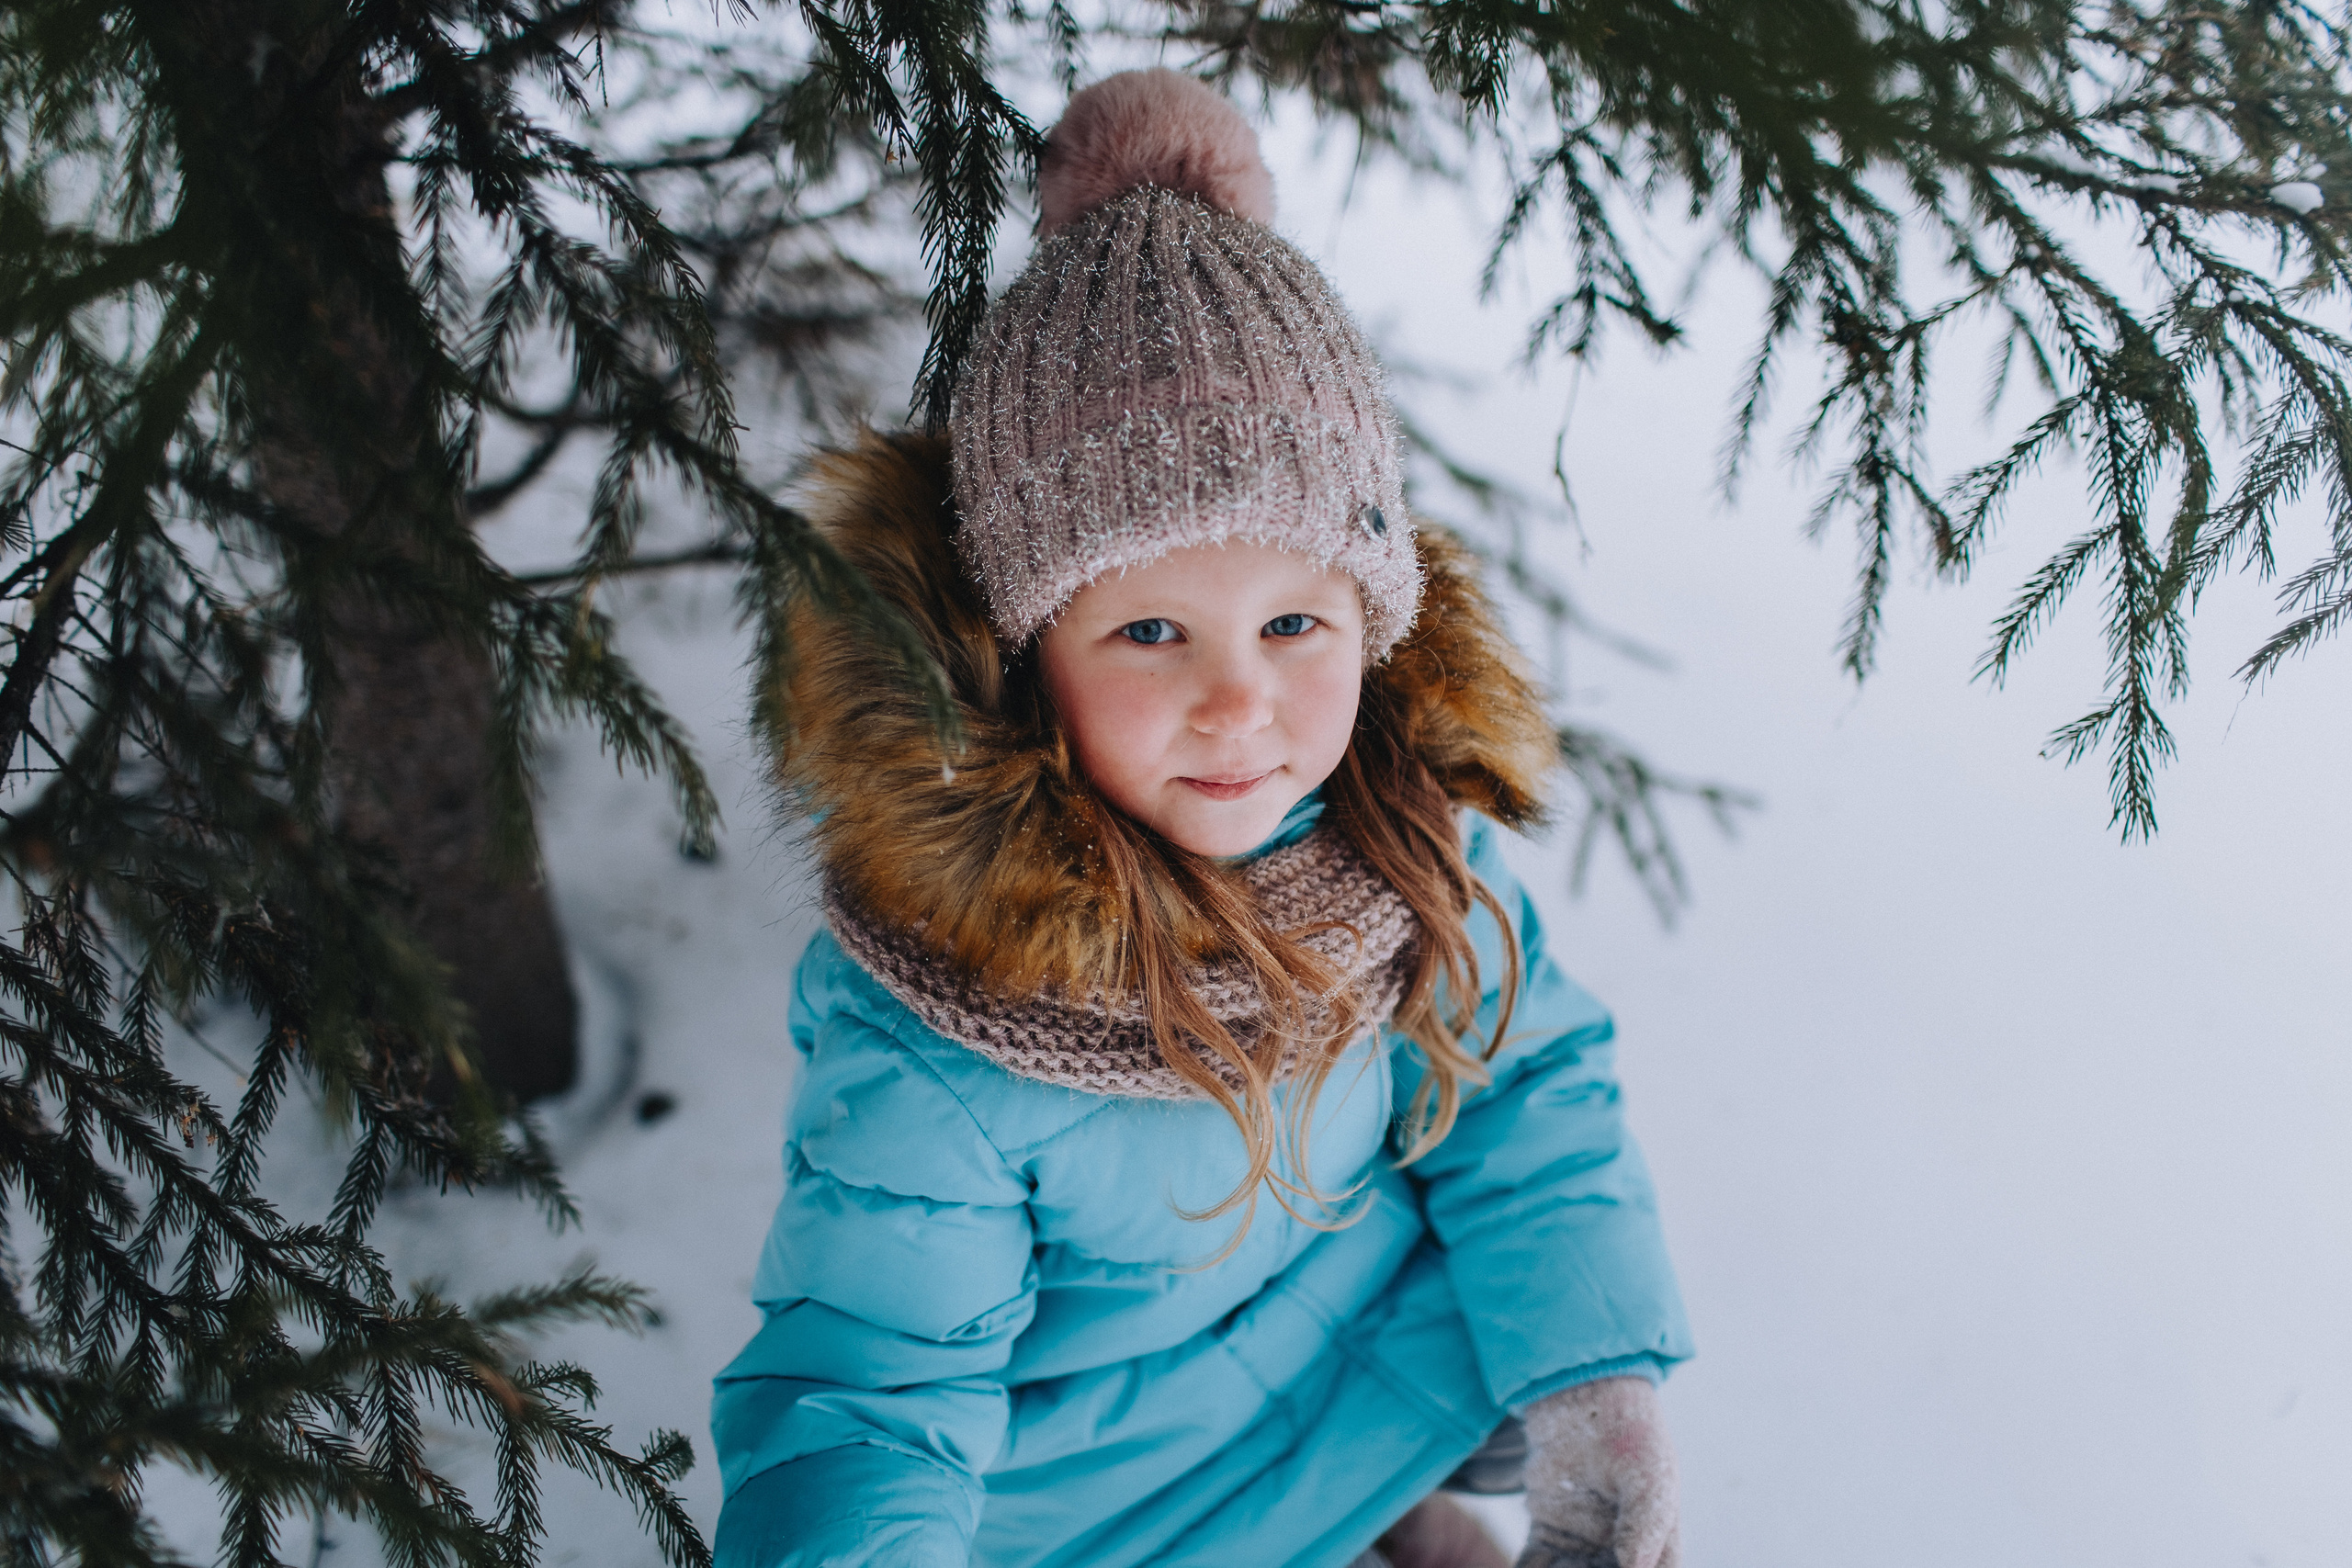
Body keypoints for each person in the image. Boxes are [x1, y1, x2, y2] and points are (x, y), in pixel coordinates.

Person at [710, 68, 1694, 1568]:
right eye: (1154, 634)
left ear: (1373, 613)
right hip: (1112, 1506)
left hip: (1343, 1370)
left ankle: (1384, 1503)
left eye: (1296, 623)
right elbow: (873, 1387)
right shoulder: (947, 1015)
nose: (1242, 706)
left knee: (1521, 1270)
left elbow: (1524, 1092)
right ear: (1028, 657)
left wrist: (1593, 1394)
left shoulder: (1402, 836)